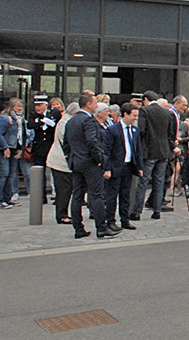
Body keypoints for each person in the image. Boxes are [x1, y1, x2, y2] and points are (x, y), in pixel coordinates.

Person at [63, 92, 115, 239]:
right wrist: (99, 159)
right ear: (88, 104)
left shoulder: (71, 121)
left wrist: (70, 157)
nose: (97, 106)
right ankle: (101, 227)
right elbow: (92, 142)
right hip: (89, 162)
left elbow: (66, 143)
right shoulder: (88, 121)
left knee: (77, 196)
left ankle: (78, 228)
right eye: (95, 103)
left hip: (76, 161)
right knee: (97, 195)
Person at [135, 90, 177, 220]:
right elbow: (170, 133)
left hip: (149, 151)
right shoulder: (166, 112)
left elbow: (141, 130)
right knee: (159, 182)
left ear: (146, 100)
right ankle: (157, 210)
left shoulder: (144, 110)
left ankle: (137, 211)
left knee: (143, 181)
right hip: (163, 151)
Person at [101, 102, 143, 232]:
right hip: (115, 167)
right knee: (112, 196)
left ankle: (125, 219)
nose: (136, 118)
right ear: (125, 114)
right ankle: (110, 221)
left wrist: (139, 166)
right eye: (134, 115)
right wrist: (106, 168)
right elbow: (106, 150)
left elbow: (138, 149)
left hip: (129, 167)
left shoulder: (135, 130)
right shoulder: (112, 130)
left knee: (126, 195)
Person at [46, 102, 77, 223]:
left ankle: (64, 213)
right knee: (63, 190)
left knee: (66, 189)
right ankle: (61, 215)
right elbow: (67, 140)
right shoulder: (65, 122)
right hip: (60, 162)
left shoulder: (67, 120)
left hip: (64, 161)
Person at [0, 98, 24, 209]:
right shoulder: (5, 119)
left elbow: (20, 135)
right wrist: (5, 147)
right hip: (2, 149)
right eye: (18, 106)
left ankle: (7, 198)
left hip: (13, 149)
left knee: (10, 175)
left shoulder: (19, 120)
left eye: (21, 106)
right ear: (11, 107)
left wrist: (20, 148)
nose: (20, 109)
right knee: (3, 174)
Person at [27, 92, 56, 198]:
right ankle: (41, 196)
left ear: (45, 105)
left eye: (39, 105)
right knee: (39, 173)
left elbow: (55, 124)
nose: (37, 108)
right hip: (39, 148)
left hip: (50, 147)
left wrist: (45, 121)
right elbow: (30, 125)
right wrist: (41, 121)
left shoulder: (53, 113)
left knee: (54, 172)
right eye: (36, 105)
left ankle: (55, 194)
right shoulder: (34, 115)